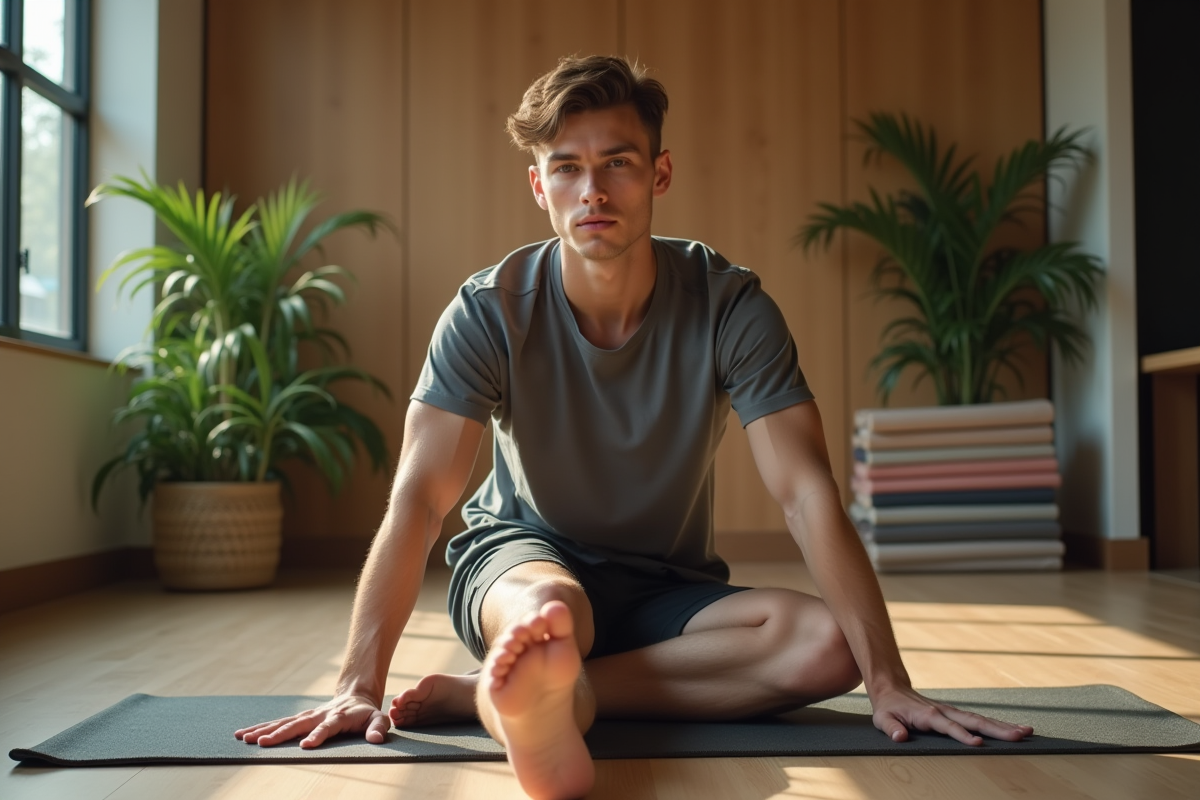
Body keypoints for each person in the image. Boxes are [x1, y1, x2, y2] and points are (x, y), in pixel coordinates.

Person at [234, 55, 1032, 800]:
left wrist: (888, 679)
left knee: (827, 646)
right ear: (539, 186)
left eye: (617, 162)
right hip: (524, 559)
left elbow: (806, 493)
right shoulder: (488, 309)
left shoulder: (730, 305)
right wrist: (358, 683)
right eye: (568, 168)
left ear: (660, 172)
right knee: (552, 611)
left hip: (666, 587)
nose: (595, 191)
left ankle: (528, 696)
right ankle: (541, 683)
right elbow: (418, 499)